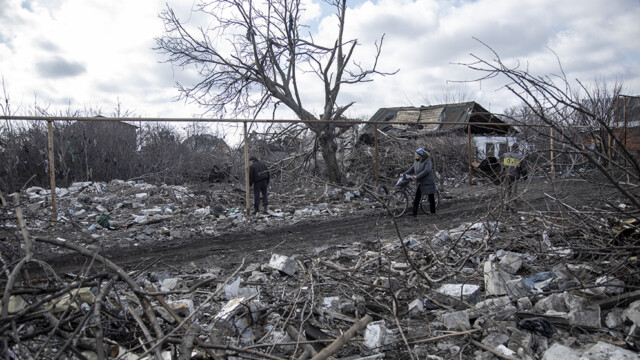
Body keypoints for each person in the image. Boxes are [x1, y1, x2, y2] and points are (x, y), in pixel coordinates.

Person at [403, 148, 437, 217]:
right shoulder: (416, 161)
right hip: (420, 182)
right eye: (415, 154)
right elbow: (412, 169)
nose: (415, 155)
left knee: (431, 196)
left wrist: (417, 176)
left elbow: (427, 170)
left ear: (421, 155)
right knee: (417, 197)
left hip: (428, 182)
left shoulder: (427, 161)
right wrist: (404, 174)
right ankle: (414, 213)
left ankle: (433, 212)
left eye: (417, 154)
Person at [500, 142, 528, 212]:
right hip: (515, 176)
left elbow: (500, 165)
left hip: (506, 175)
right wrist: (525, 176)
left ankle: (506, 205)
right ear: (518, 149)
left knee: (507, 191)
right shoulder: (520, 157)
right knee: (514, 192)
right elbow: (524, 168)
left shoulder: (505, 155)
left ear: (511, 148)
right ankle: (512, 207)